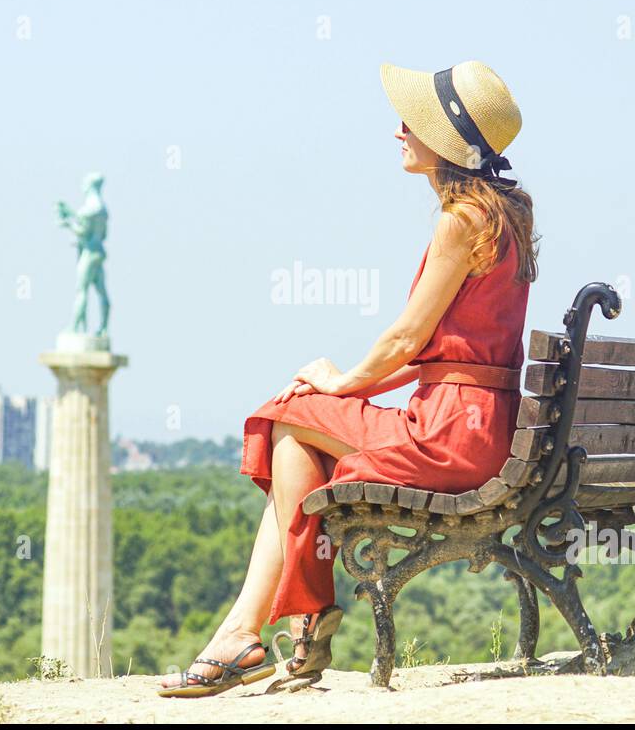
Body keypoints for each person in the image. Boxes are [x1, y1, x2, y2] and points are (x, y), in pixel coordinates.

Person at [159, 60, 537, 697]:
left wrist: (341, 383)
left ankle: (279, 628)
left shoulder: (460, 220)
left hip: (448, 433)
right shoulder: (506, 215)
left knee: (290, 412)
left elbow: (405, 338)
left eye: (411, 121)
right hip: (481, 427)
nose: (398, 130)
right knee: (297, 433)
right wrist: (350, 389)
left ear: (445, 138)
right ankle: (255, 631)